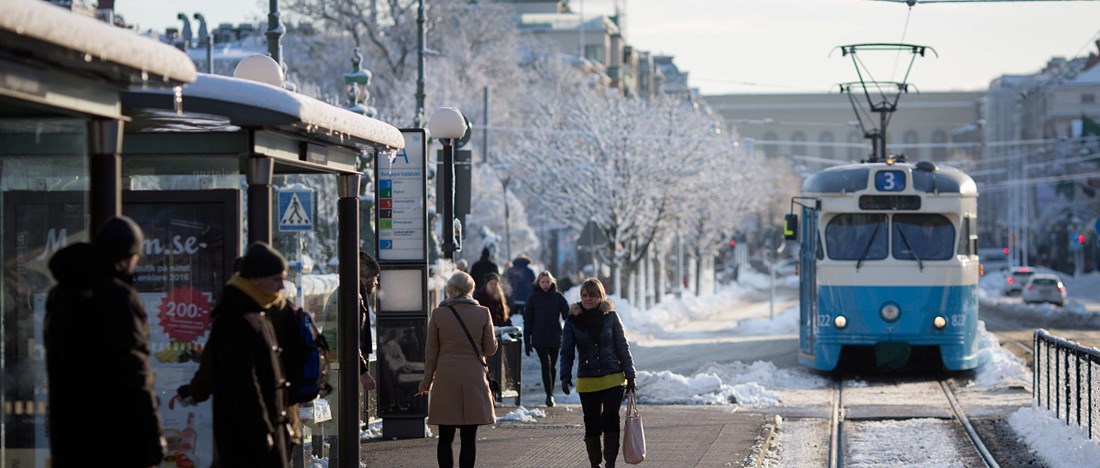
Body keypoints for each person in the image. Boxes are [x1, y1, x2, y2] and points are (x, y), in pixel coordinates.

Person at [45, 216, 166, 468]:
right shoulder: (117, 296)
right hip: (115, 437)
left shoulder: (61, 294)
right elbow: (133, 372)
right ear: (127, 257)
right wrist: (152, 439)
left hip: (71, 435)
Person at [204, 242, 292, 467]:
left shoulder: (257, 310)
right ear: (255, 279)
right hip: (252, 443)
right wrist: (261, 434)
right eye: (276, 279)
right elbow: (241, 385)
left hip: (264, 434)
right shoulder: (237, 317)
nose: (282, 286)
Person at [419, 271, 498, 468]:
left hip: (445, 377)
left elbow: (431, 353)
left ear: (450, 289)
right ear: (471, 289)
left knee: (445, 436)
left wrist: (426, 382)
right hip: (473, 377)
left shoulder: (438, 314)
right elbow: (490, 349)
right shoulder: (483, 313)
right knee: (469, 437)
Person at [560, 278, 636, 468]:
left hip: (613, 378)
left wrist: (630, 374)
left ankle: (610, 462)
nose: (587, 299)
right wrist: (565, 376)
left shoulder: (611, 316)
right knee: (591, 423)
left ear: (600, 296)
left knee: (610, 419)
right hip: (587, 380)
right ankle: (595, 463)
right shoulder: (573, 320)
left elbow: (622, 346)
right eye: (584, 295)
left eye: (592, 295)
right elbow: (567, 351)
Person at [523, 271, 570, 407]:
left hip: (555, 335)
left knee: (553, 366)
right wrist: (527, 340)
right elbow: (528, 320)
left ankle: (551, 393)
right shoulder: (533, 298)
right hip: (539, 336)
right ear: (538, 282)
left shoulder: (558, 297)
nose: (545, 284)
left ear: (552, 282)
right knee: (546, 364)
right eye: (543, 282)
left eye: (548, 282)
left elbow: (567, 315)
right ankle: (549, 394)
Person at [359, 251, 380, 392]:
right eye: (375, 277)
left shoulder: (357, 295)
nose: (376, 282)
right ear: (365, 276)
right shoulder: (356, 298)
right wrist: (363, 371)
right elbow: (350, 339)